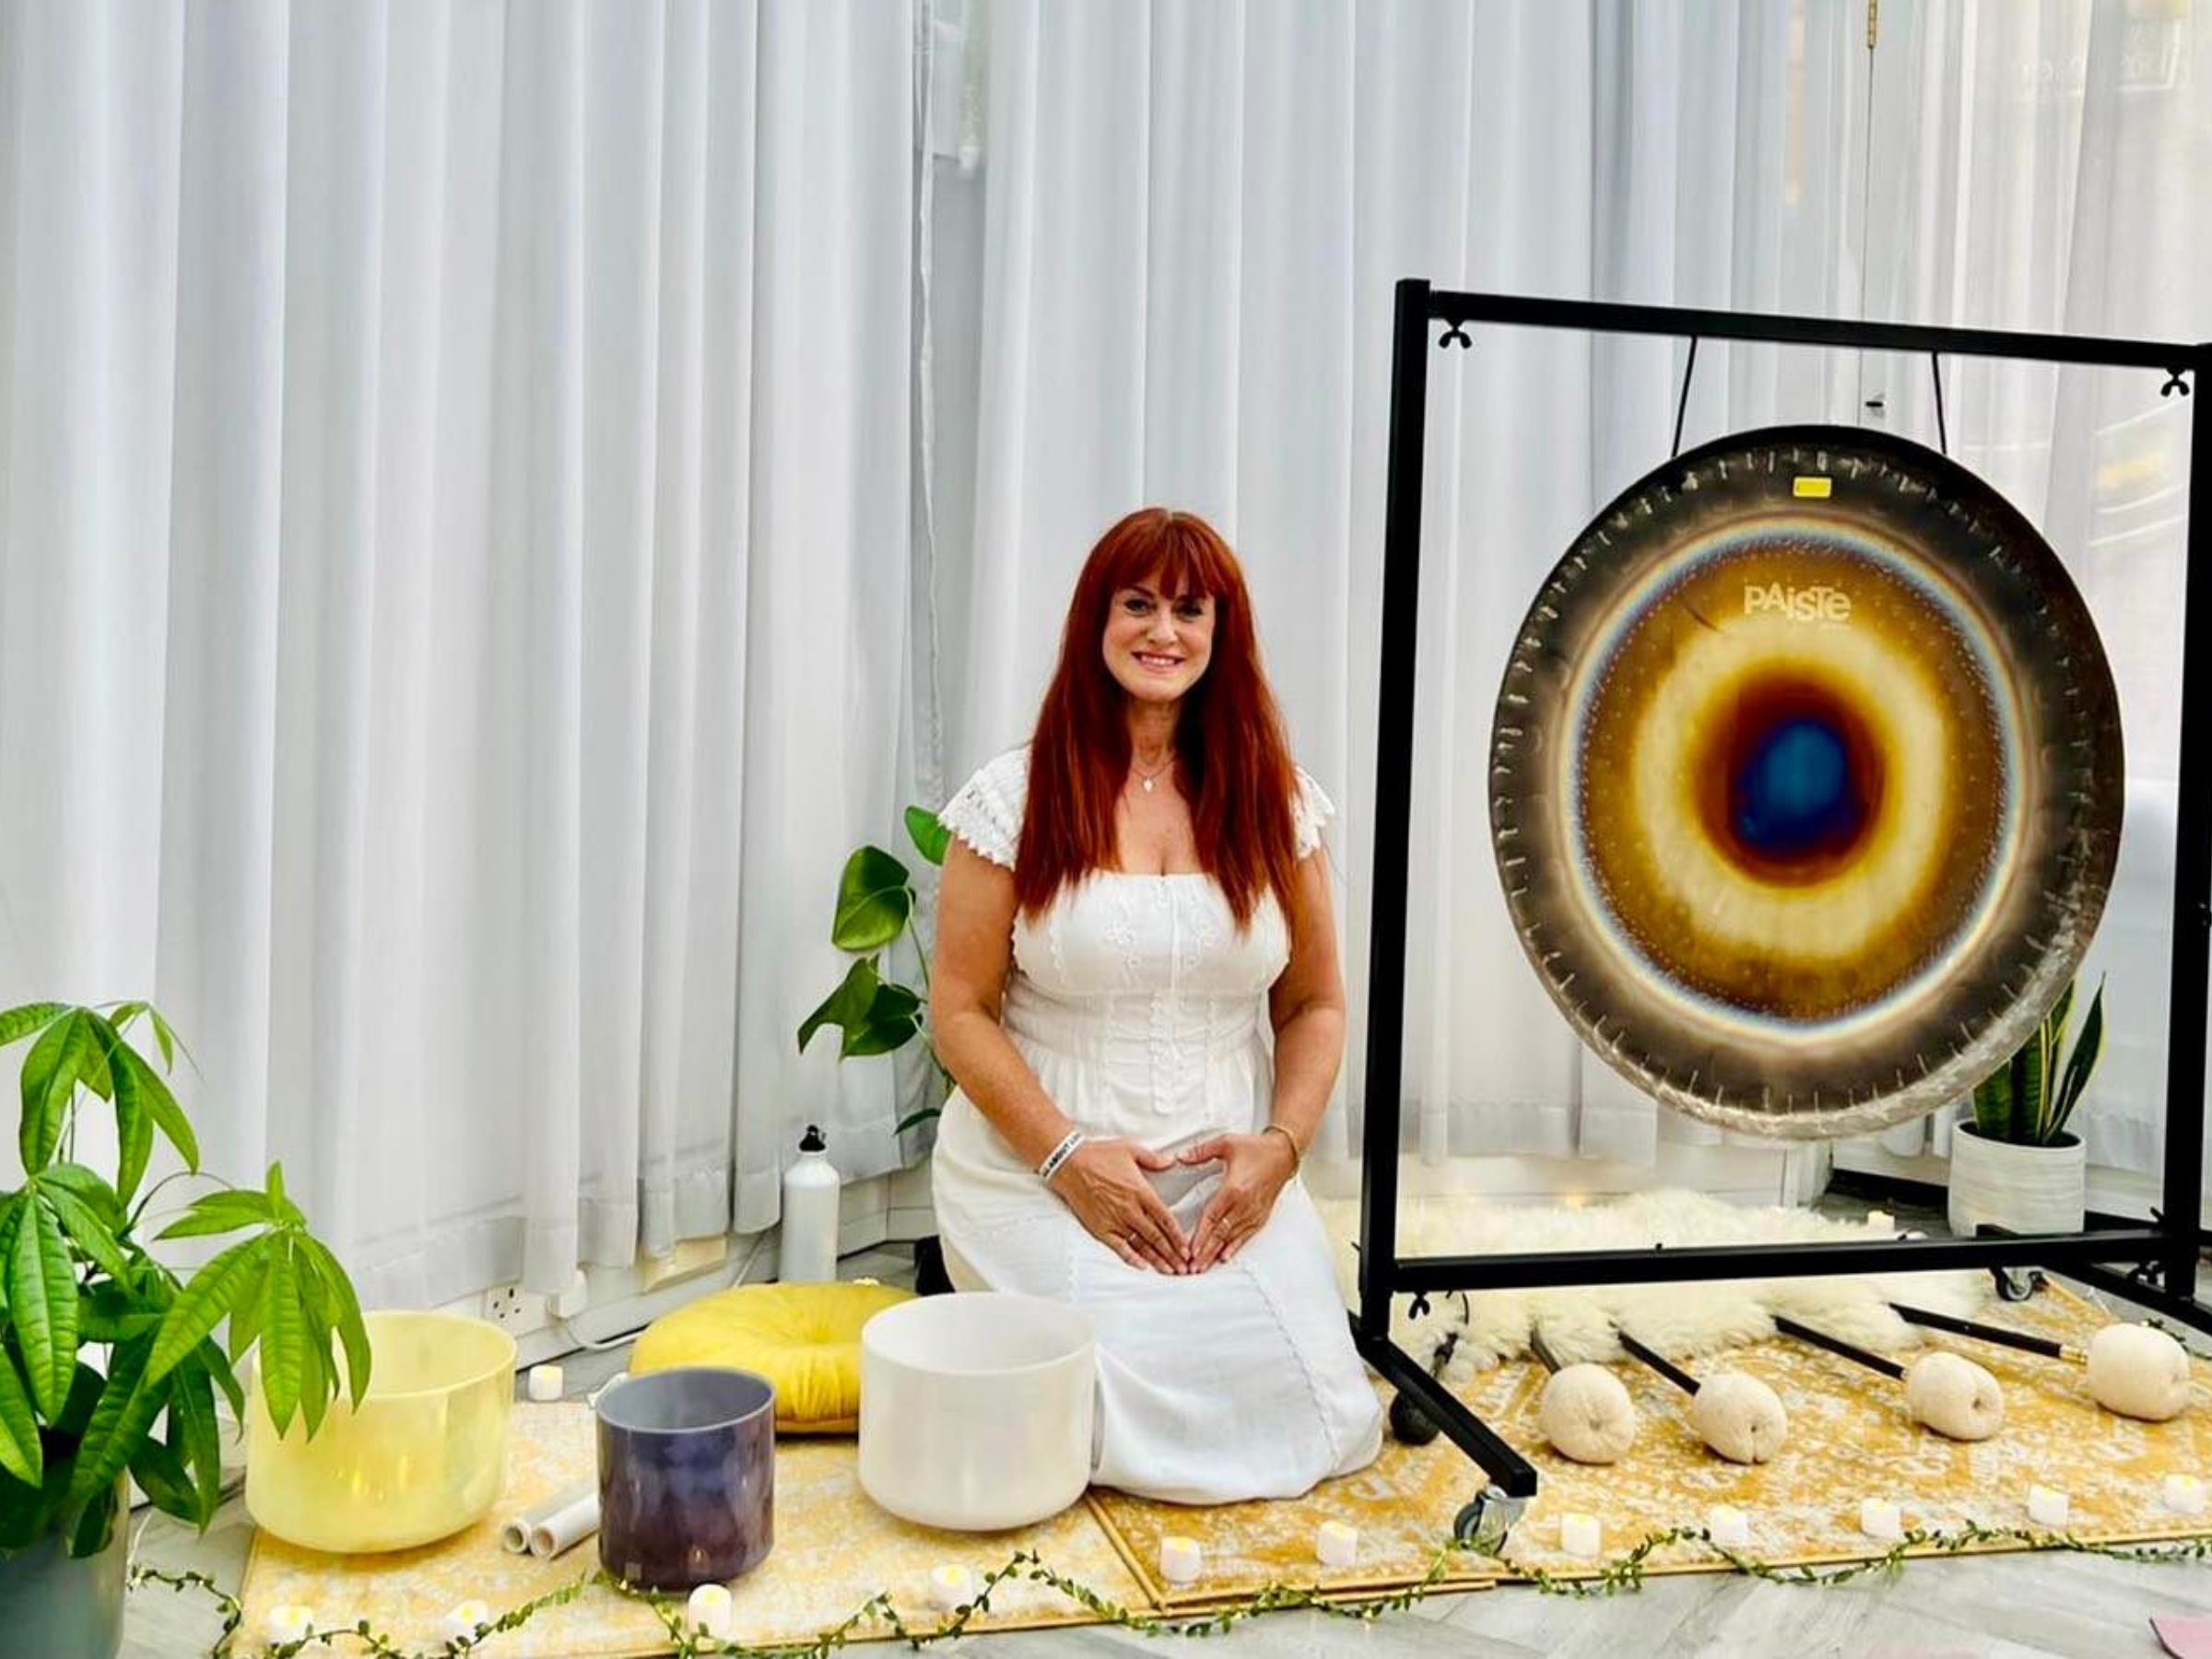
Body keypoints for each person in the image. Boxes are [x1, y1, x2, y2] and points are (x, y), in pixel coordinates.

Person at [928, 506, 1383, 1505]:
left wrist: (1279, 1150)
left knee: (1317, 1406)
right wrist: (1065, 1157)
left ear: (1223, 634)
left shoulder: (1279, 802)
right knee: (1095, 1402)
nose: (1162, 632)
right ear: (1097, 619)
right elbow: (959, 1010)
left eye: (1189, 609)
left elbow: (1313, 1003)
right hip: (1039, 1173)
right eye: (1138, 604)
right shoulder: (1015, 797)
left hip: (1223, 1184)